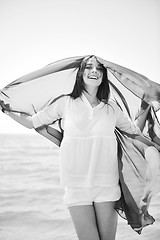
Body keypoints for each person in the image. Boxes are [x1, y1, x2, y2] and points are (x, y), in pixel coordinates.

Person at [1, 55, 160, 240]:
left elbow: (134, 132)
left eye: (99, 69)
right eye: (89, 67)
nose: (94, 71)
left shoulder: (112, 108)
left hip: (107, 184)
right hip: (76, 186)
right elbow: (33, 122)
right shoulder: (65, 103)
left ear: (103, 76)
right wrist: (7, 109)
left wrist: (146, 107)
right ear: (81, 73)